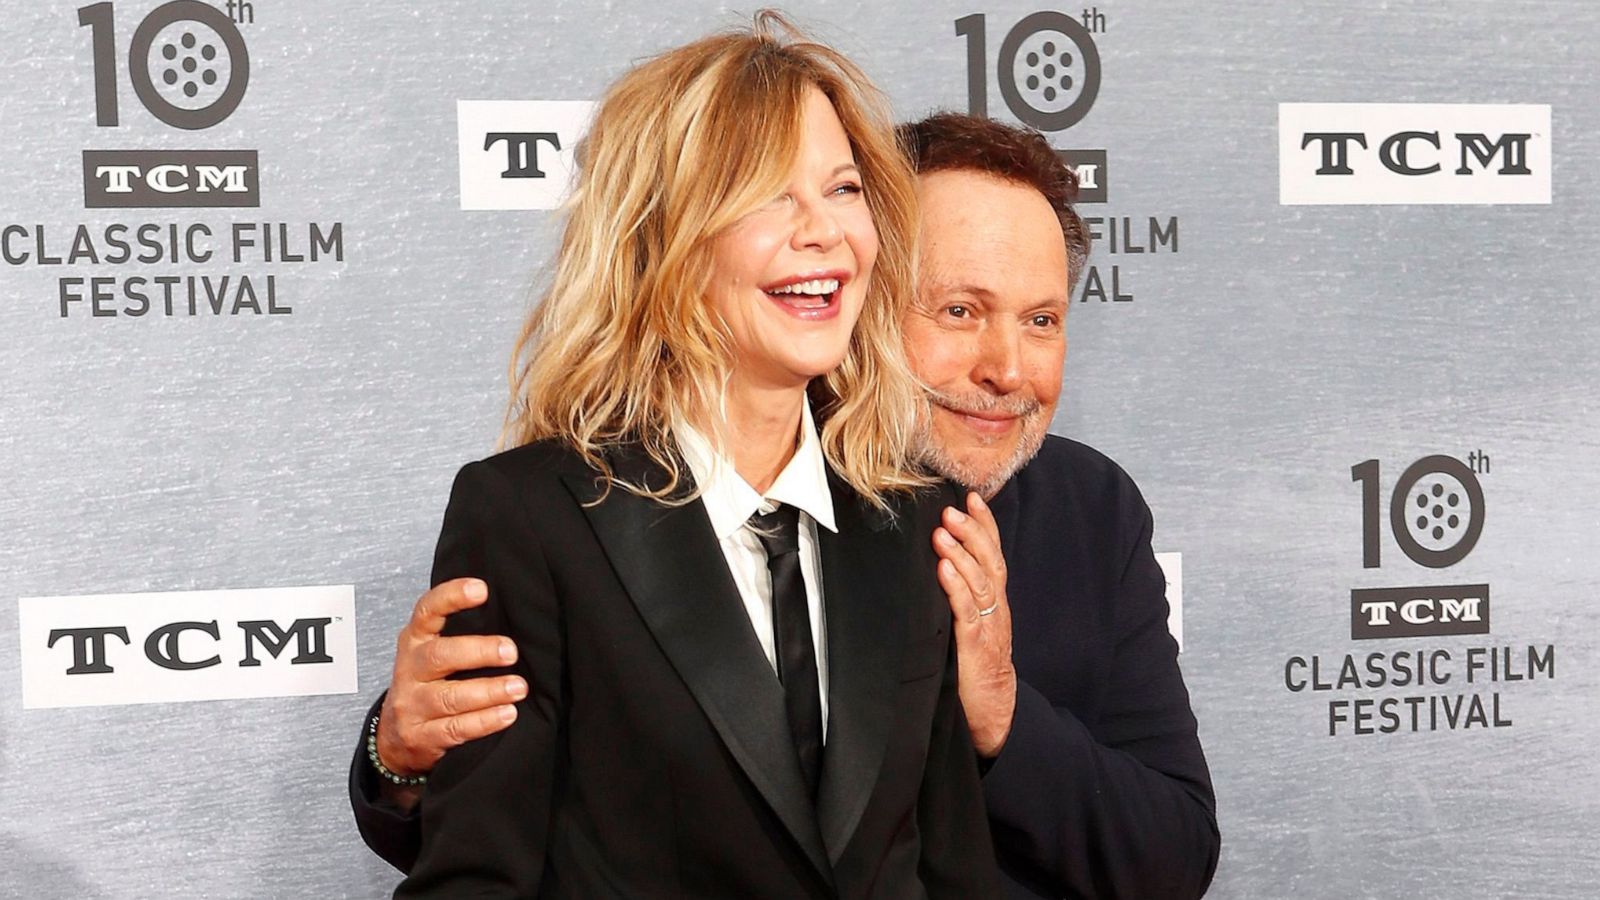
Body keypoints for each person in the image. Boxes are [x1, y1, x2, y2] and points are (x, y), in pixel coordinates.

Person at [353, 112, 1219, 898]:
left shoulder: (1093, 509)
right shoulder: (631, 507)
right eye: (959, 310)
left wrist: (1000, 715)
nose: (1007, 369)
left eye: (1042, 321)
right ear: (852, 295)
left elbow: (1175, 855)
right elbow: (542, 839)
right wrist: (398, 760)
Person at [375, 17, 1001, 899]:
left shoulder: (912, 519)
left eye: (843, 188)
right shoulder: (533, 520)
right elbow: (475, 878)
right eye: (769, 195)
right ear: (661, 237)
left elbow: (951, 868)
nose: (824, 233)